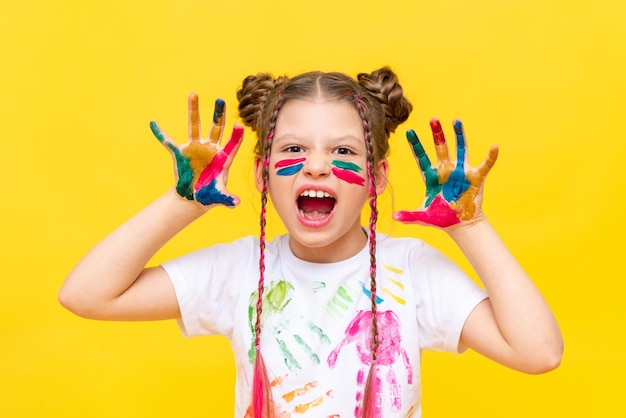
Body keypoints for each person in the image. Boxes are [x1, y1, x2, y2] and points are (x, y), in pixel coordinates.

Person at [59, 67, 563, 417]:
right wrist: (184, 200)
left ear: (377, 177)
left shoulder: (411, 269)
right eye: (294, 149)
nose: (317, 166)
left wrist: (468, 227)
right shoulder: (238, 271)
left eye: (343, 151)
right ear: (262, 174)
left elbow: (538, 352)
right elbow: (86, 294)